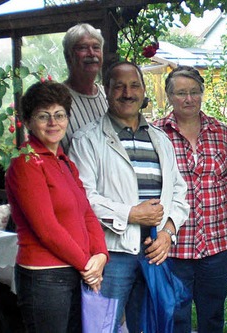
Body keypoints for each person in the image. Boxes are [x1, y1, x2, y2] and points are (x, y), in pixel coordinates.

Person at [69, 61, 190, 333]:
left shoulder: (160, 139)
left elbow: (179, 193)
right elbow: (82, 198)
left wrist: (168, 233)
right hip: (111, 254)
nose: (127, 93)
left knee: (150, 326)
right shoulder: (87, 140)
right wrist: (131, 214)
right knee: (101, 326)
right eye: (119, 86)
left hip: (153, 251)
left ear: (144, 90)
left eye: (134, 85)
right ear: (107, 91)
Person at [5, 81, 109, 333]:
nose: (53, 122)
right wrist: (87, 265)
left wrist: (101, 255)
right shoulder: (26, 163)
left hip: (75, 270)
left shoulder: (65, 163)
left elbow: (87, 214)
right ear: (28, 122)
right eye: (44, 116)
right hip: (45, 277)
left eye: (59, 114)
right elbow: (47, 228)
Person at [153, 65, 227, 333]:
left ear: (202, 93)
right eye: (181, 93)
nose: (189, 99)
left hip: (218, 241)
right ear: (169, 96)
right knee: (175, 313)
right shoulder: (155, 134)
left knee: (213, 312)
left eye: (194, 92)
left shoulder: (221, 132)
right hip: (173, 244)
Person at [60, 23, 109, 152]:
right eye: (83, 48)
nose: (91, 53)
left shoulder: (108, 95)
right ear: (68, 56)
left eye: (96, 47)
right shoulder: (56, 98)